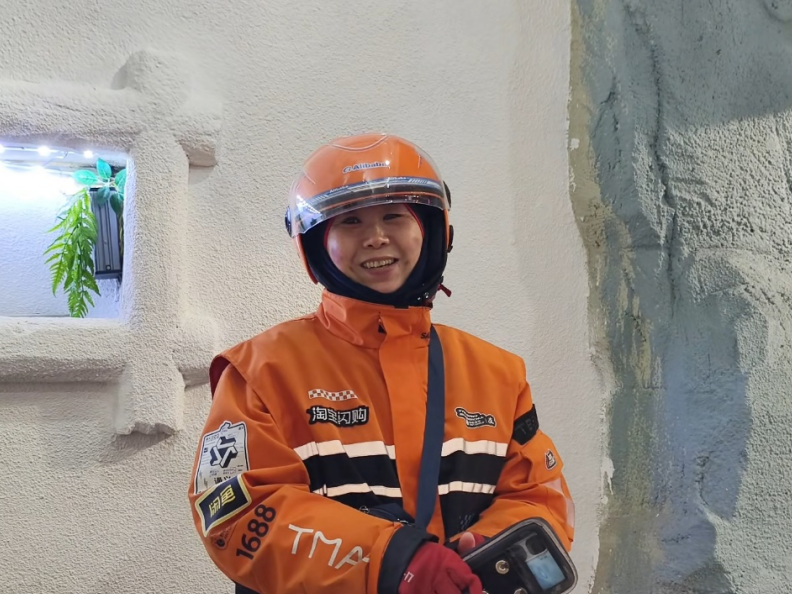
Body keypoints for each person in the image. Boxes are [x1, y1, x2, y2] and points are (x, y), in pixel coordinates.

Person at [187, 133, 575, 594]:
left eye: (394, 216)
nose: (375, 237)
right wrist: (393, 562)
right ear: (315, 245)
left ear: (433, 230)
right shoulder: (260, 371)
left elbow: (539, 496)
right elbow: (235, 512)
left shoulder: (498, 374)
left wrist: (486, 552)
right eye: (350, 221)